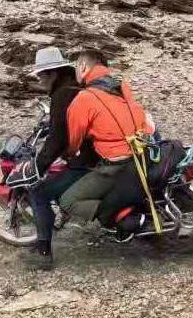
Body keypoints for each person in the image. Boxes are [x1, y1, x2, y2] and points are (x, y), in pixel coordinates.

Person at [57, 50, 156, 231]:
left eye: (77, 67)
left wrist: (67, 155)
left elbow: (75, 140)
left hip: (116, 166)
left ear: (83, 67)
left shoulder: (84, 98)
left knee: (67, 201)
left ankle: (115, 217)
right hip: (142, 154)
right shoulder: (120, 86)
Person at [21, 47, 98, 269]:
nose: (39, 80)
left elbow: (57, 140)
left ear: (53, 74)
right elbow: (66, 125)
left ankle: (43, 254)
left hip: (87, 160)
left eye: (41, 75)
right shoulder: (78, 86)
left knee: (39, 191)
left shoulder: (62, 95)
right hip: (100, 152)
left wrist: (38, 166)